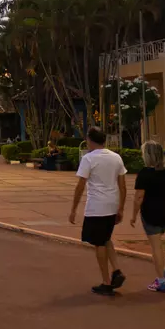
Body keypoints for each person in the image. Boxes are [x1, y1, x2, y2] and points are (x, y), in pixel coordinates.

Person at [69, 126, 127, 296]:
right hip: (112, 204)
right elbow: (123, 186)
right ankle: (116, 270)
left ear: (90, 140)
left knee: (99, 243)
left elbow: (80, 186)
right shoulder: (116, 157)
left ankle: (106, 281)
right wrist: (121, 207)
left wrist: (73, 209)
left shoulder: (88, 159)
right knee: (106, 237)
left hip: (97, 206)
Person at [130, 140, 165, 293]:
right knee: (158, 244)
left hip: (150, 215)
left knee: (156, 248)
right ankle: (164, 271)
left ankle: (161, 281)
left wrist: (133, 216)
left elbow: (139, 197)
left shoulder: (144, 174)